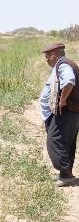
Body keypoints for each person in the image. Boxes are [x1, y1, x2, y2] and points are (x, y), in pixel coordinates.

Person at [40, 41, 79, 185]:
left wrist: (62, 100)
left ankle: (66, 174)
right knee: (65, 142)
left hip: (67, 111)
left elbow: (69, 82)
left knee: (54, 141)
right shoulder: (61, 64)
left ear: (55, 55)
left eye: (48, 56)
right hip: (70, 111)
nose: (46, 59)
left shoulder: (64, 65)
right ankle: (66, 175)